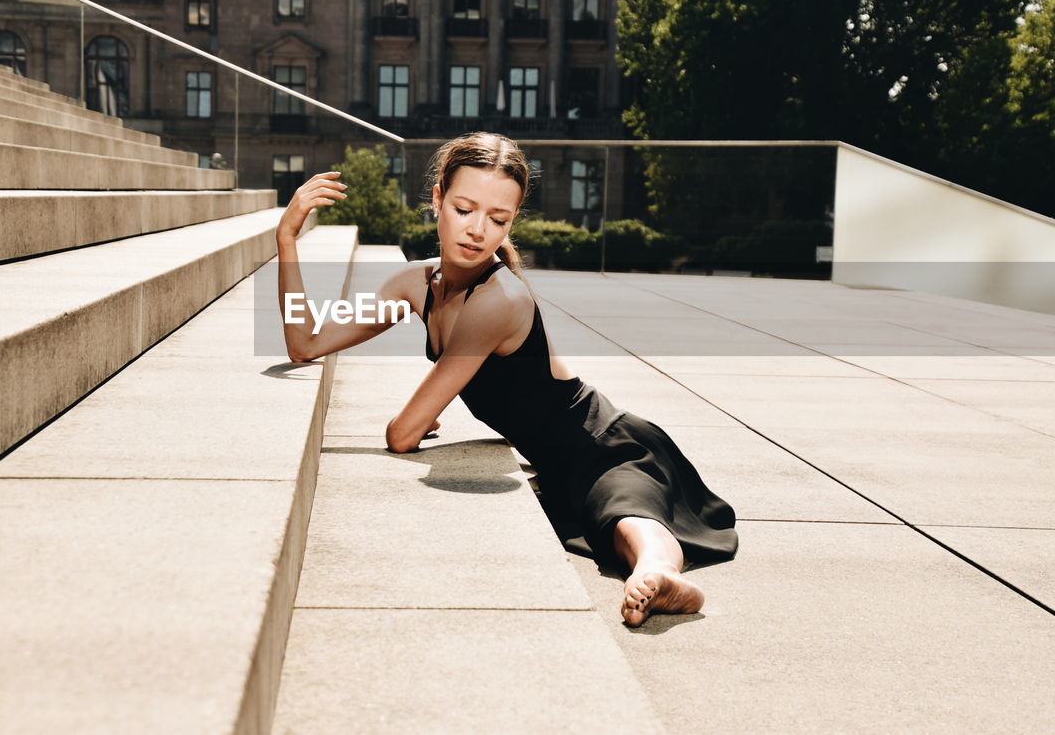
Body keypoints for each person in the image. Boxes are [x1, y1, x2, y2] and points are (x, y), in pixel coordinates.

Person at [275, 132, 738, 626]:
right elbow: (306, 342)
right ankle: (651, 569)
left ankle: (658, 574)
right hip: (557, 463)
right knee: (606, 514)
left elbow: (401, 434)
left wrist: (419, 416)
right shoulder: (412, 284)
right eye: (464, 209)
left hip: (605, 444)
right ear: (437, 200)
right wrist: (286, 239)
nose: (477, 230)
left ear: (511, 220)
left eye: (497, 219)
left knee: (624, 513)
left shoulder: (499, 300)